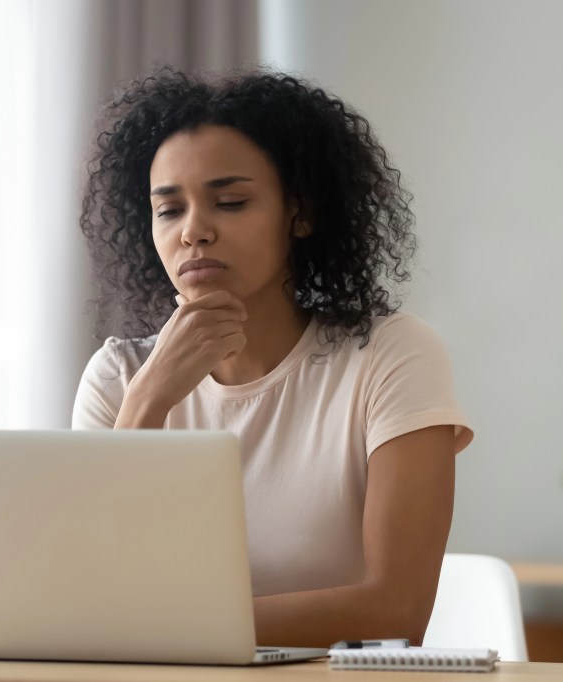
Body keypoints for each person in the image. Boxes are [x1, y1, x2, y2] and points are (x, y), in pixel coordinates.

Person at [73, 67, 474, 648]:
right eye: (169, 210)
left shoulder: (388, 356)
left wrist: (166, 629)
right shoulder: (119, 378)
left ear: (301, 213)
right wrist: (147, 402)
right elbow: (83, 597)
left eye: (230, 202)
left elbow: (397, 608)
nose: (194, 232)